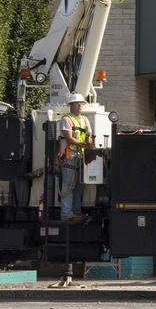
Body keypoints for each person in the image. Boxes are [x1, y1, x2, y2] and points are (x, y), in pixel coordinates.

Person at [59, 93, 92, 223]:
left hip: (81, 156)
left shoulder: (85, 119)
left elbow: (89, 134)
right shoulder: (66, 119)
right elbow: (68, 138)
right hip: (70, 155)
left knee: (79, 185)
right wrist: (83, 144)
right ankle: (66, 213)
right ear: (71, 105)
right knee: (68, 185)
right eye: (78, 103)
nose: (81, 105)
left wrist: (89, 141)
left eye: (82, 103)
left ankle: (76, 212)